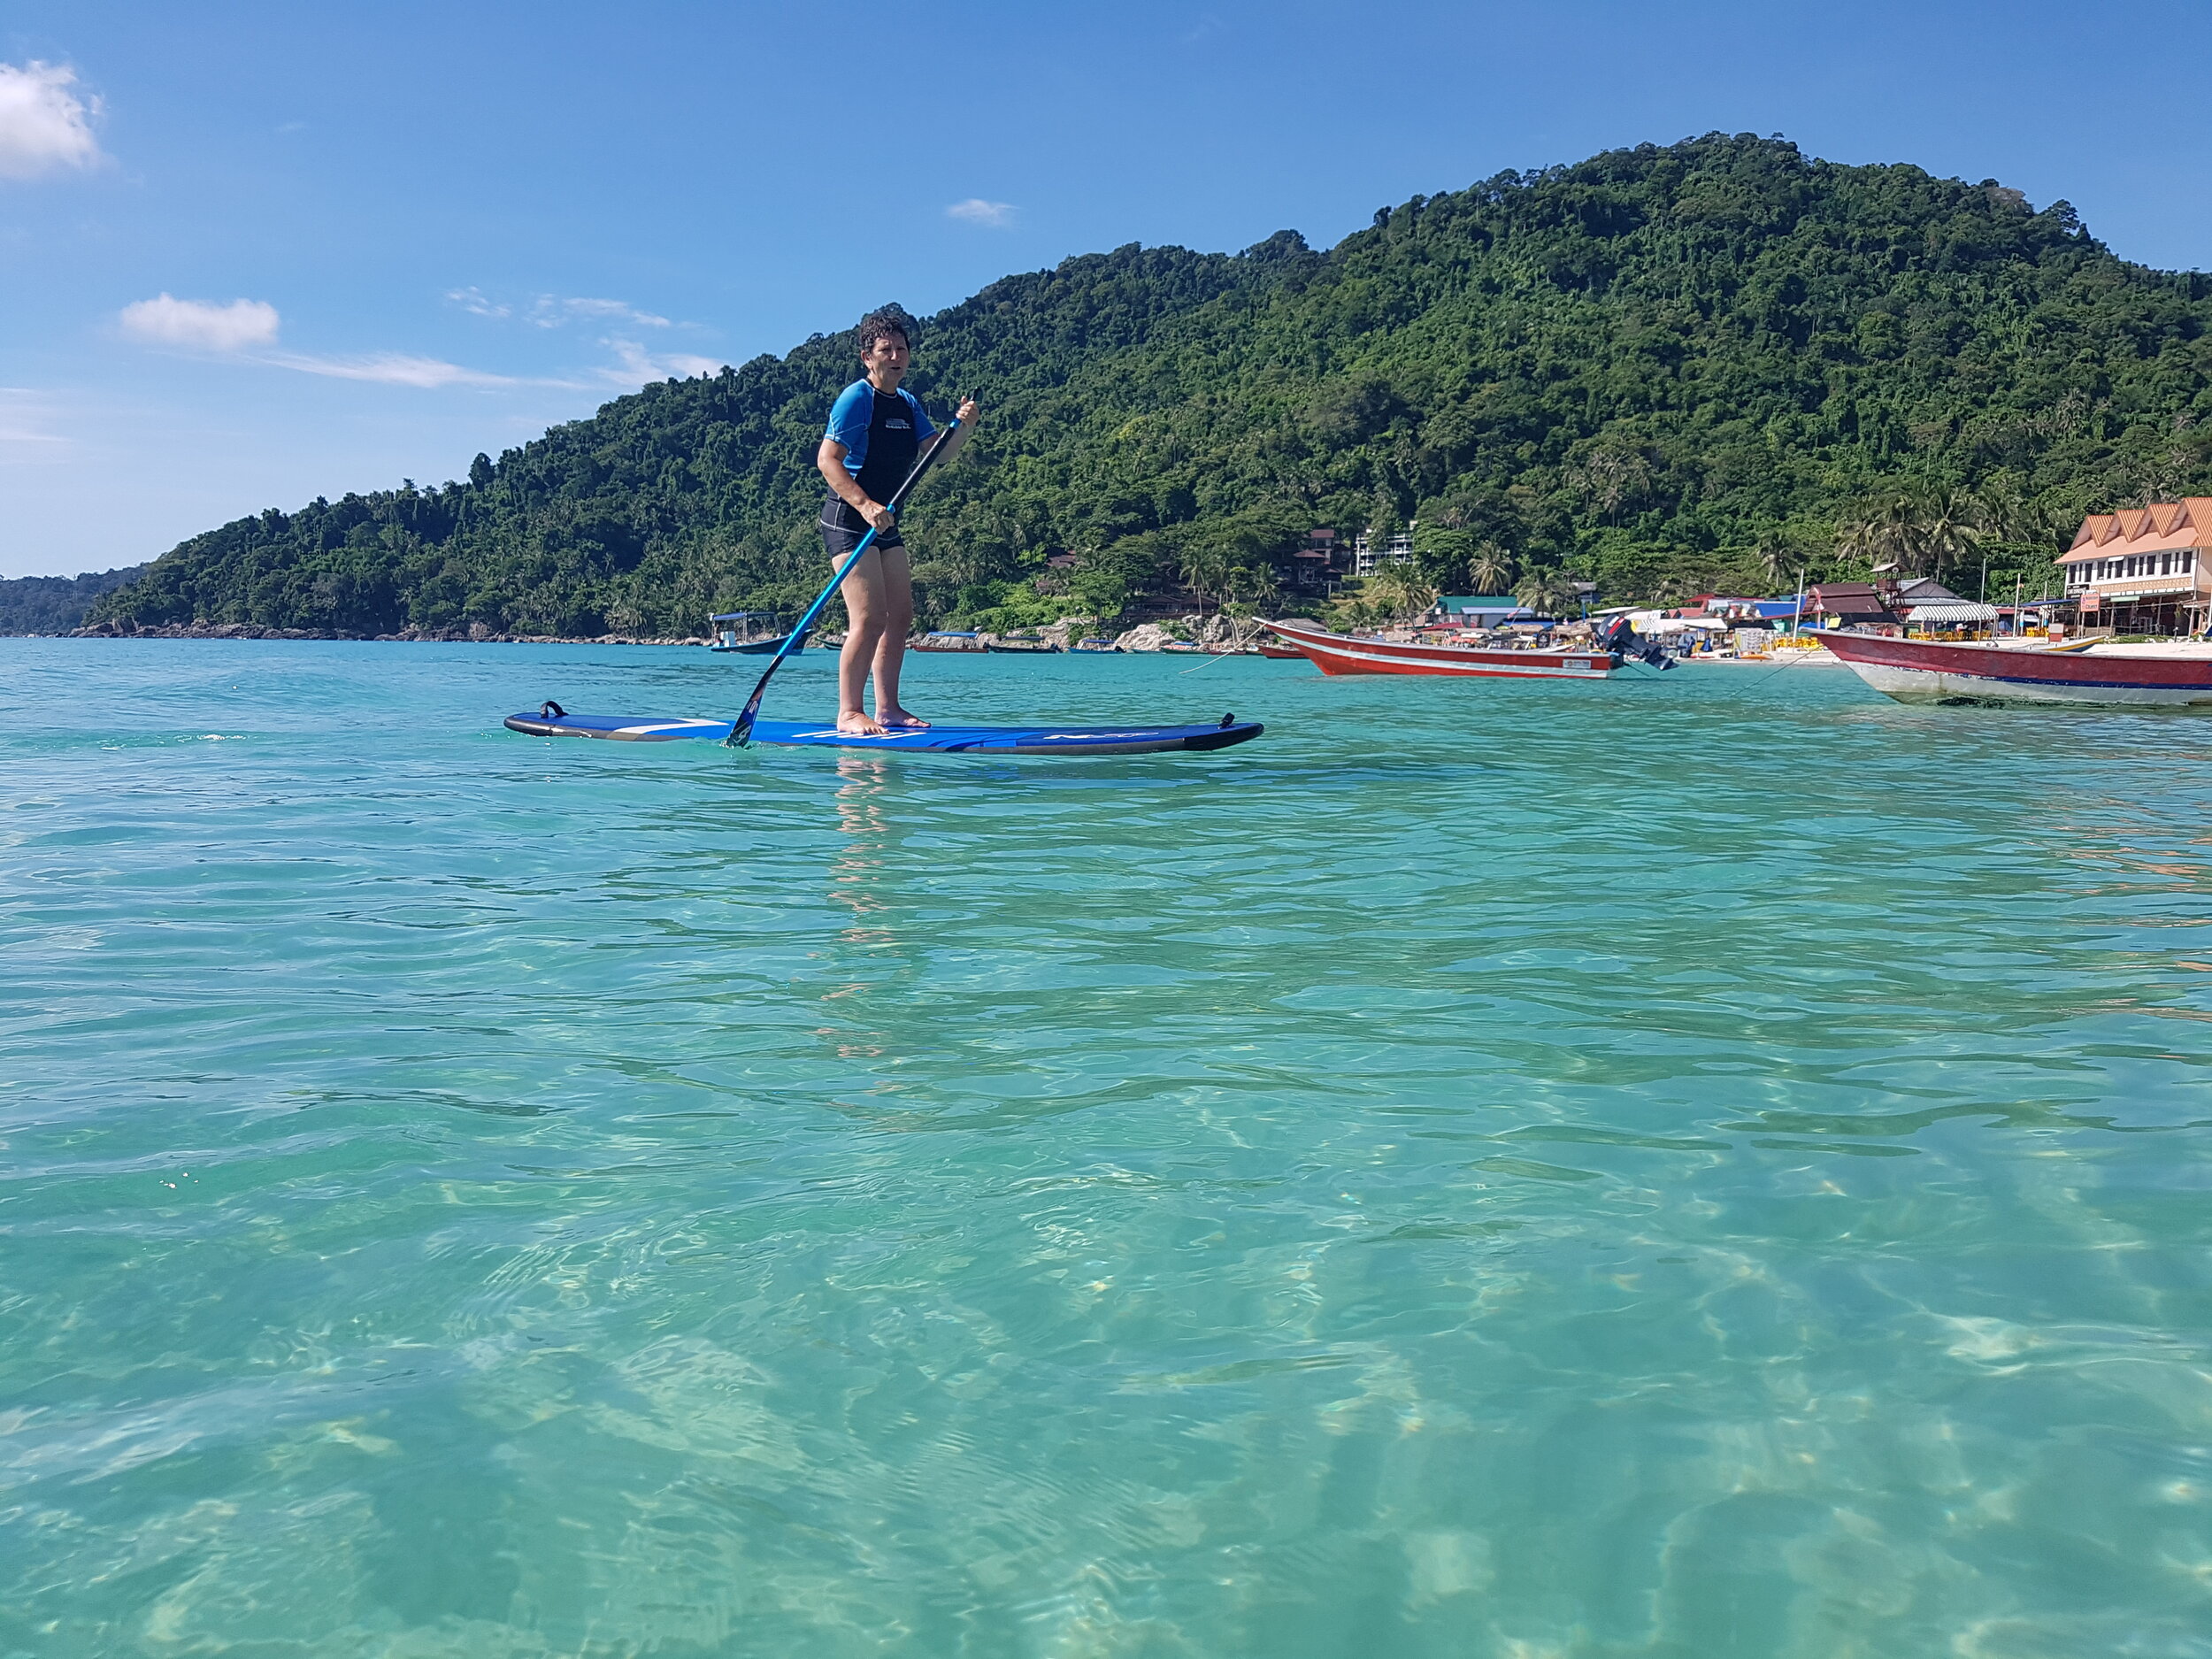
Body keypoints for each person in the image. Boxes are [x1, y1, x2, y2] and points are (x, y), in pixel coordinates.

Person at [817, 305, 980, 733]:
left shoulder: (907, 404)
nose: (896, 356)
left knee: (901, 616)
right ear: (867, 357)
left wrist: (963, 428)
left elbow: (937, 454)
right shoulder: (857, 399)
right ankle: (849, 711)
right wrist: (866, 504)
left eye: (902, 349)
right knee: (869, 618)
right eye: (885, 349)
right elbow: (827, 461)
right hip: (850, 520)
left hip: (886, 523)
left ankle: (887, 709)